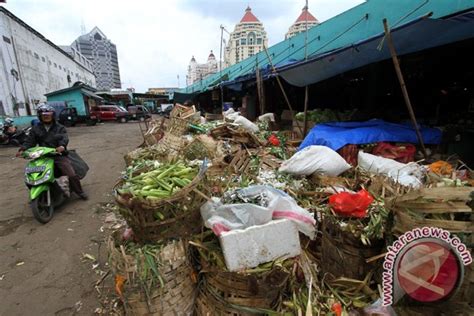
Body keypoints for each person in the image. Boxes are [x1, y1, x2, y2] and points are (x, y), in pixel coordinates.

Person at [16, 104, 88, 200]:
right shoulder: (35, 128)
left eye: (48, 114)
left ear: (53, 115)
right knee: (30, 174)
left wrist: (62, 146)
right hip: (42, 156)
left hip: (58, 155)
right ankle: (39, 193)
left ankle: (80, 192)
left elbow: (64, 138)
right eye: (44, 114)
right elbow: (30, 141)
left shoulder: (60, 127)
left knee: (71, 174)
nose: (46, 116)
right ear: (40, 116)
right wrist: (23, 149)